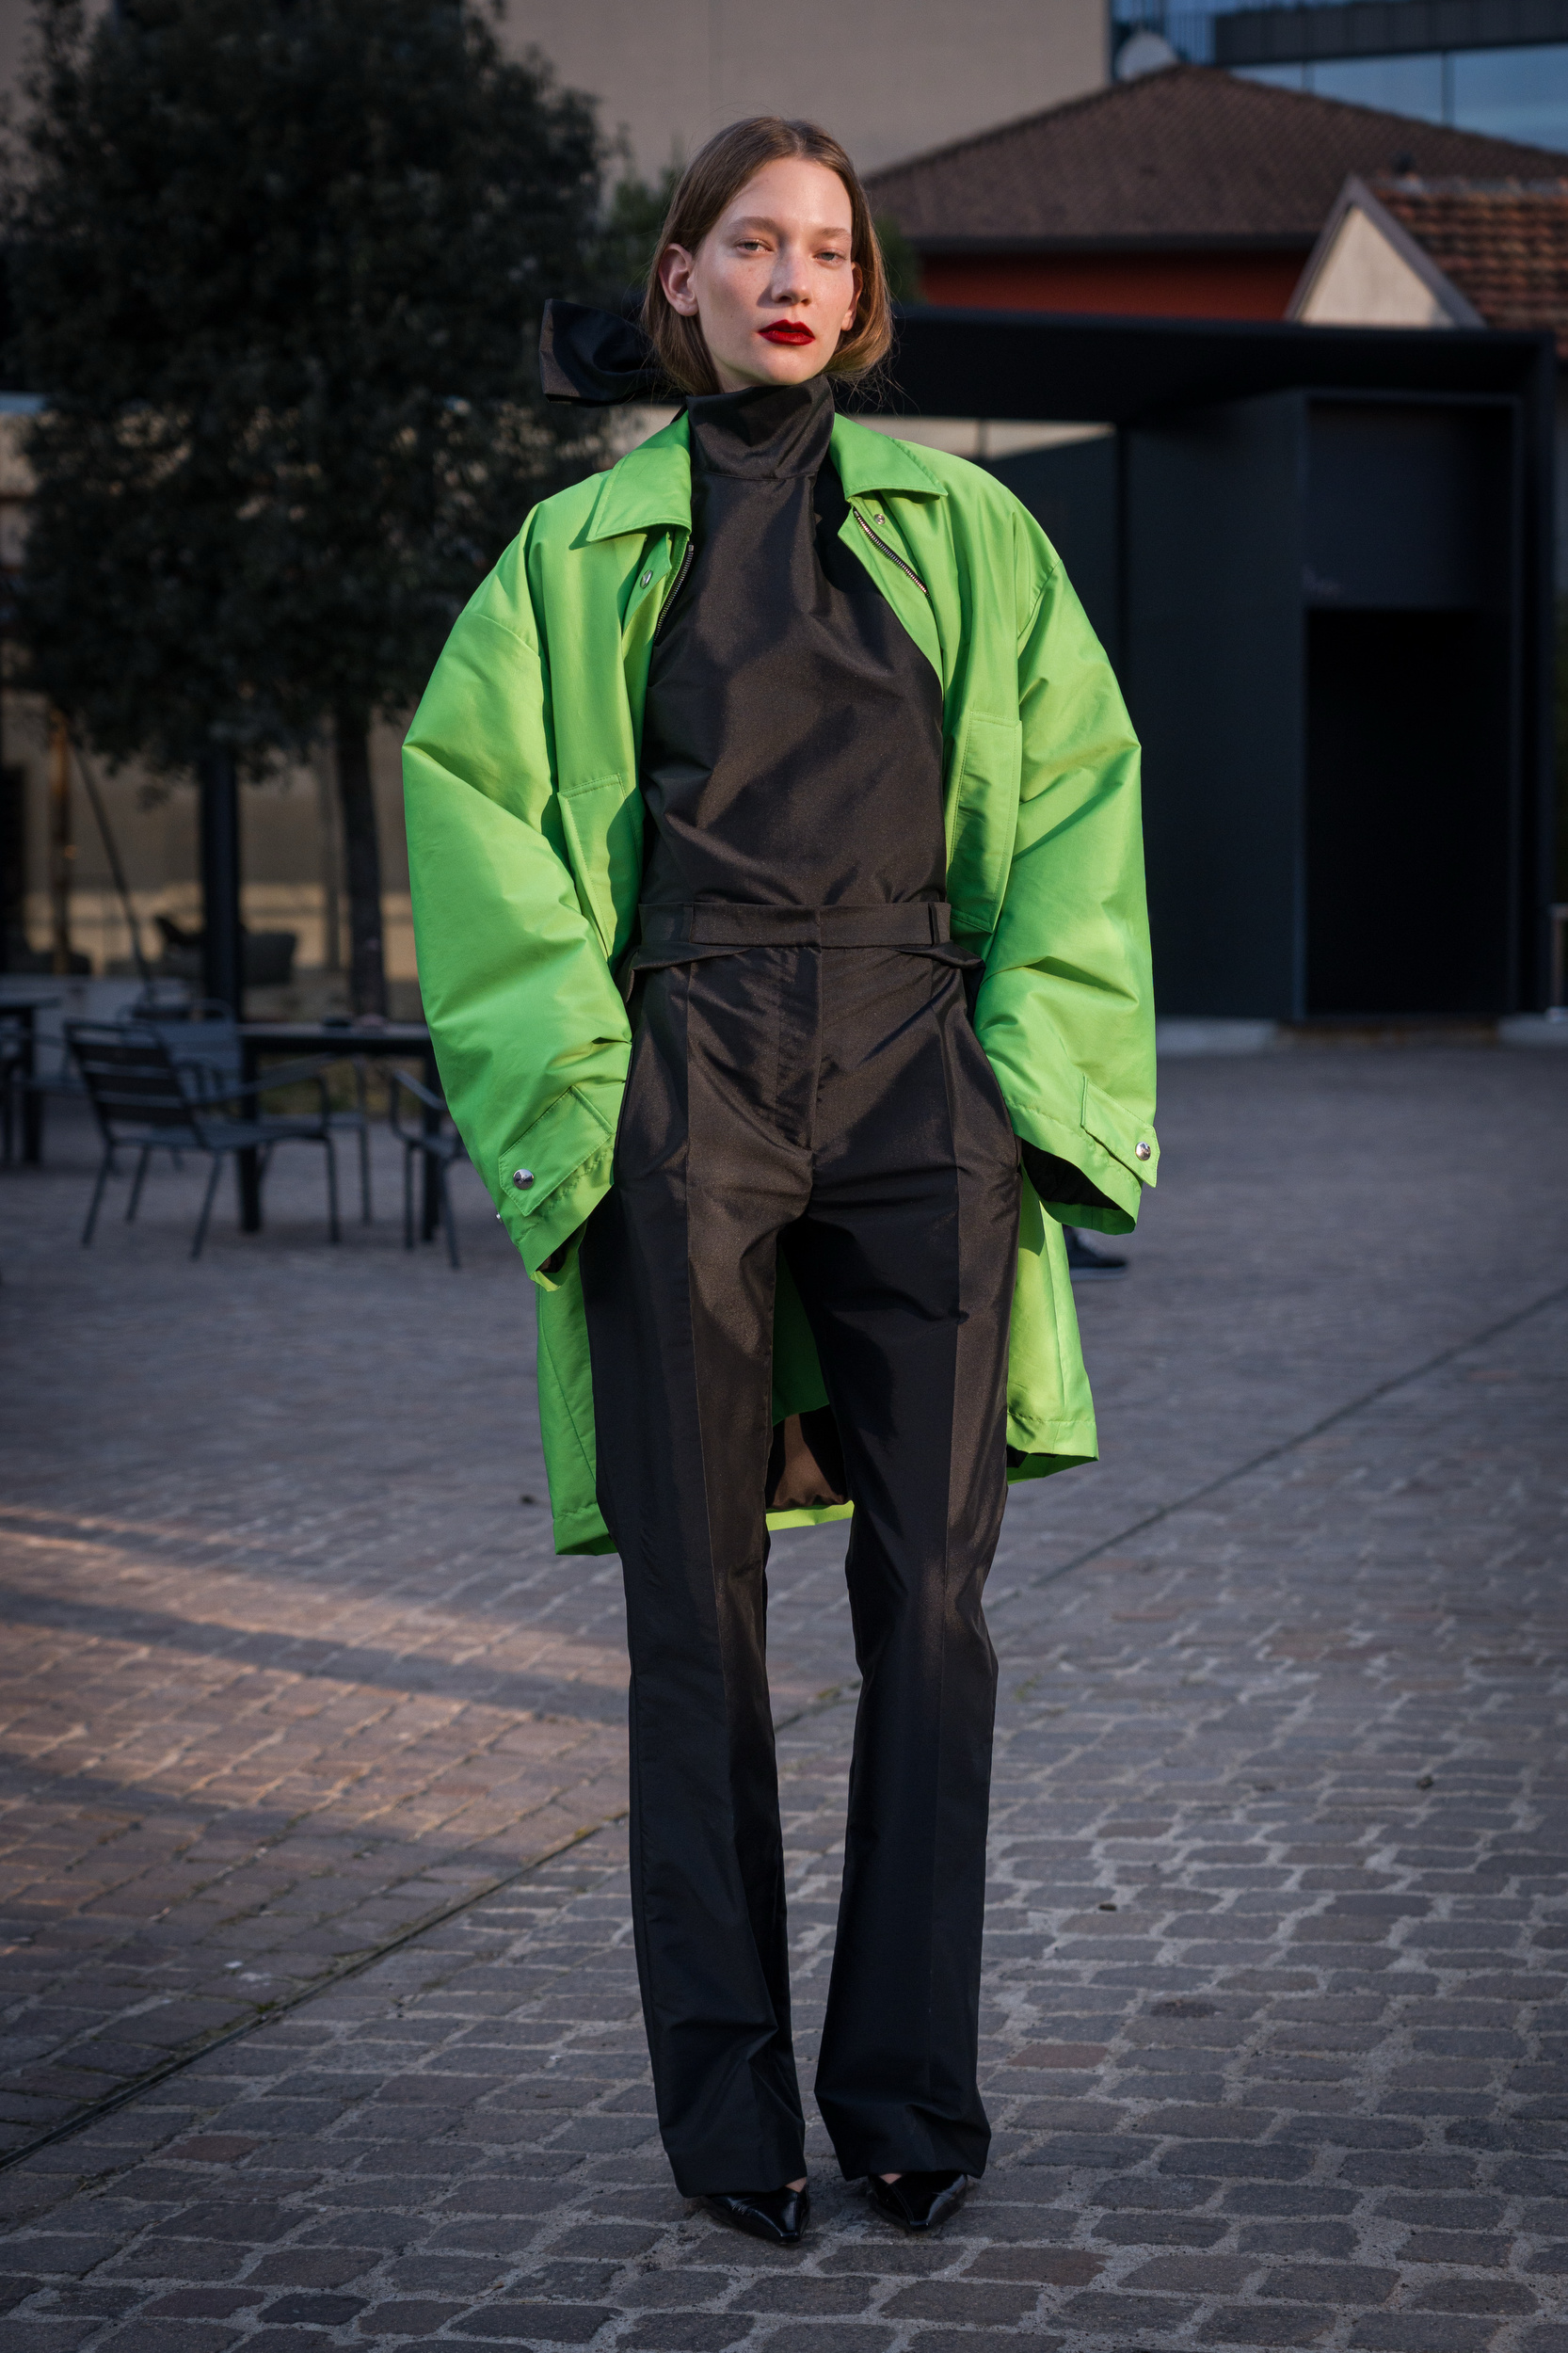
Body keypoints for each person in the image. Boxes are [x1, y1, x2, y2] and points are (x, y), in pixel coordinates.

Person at [404, 116, 1158, 2247]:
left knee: (931, 1605)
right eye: (753, 239)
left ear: (858, 290)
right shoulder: (570, 553)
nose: (792, 272)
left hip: (923, 1074)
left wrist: (1016, 1091)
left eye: (826, 243)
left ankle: (908, 2093)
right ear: (681, 279)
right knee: (693, 1617)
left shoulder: (970, 533)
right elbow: (472, 814)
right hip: (685, 1071)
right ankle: (726, 2110)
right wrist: (601, 1095)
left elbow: (1084, 796)